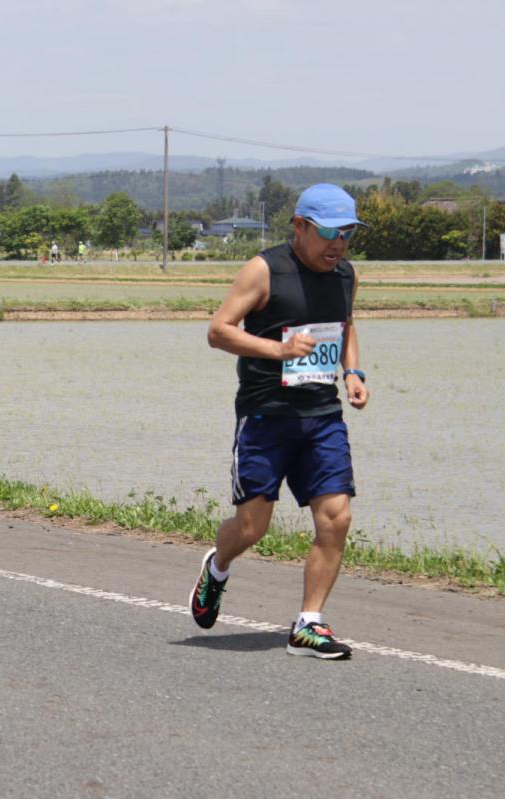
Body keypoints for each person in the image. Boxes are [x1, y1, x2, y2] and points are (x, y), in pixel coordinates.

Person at [189, 183, 370, 660]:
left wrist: (352, 373)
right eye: (330, 233)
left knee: (337, 518)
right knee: (252, 527)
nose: (339, 245)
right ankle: (218, 566)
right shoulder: (264, 270)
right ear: (300, 226)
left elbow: (346, 325)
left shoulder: (346, 275)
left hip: (322, 416)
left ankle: (309, 624)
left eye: (348, 234)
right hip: (265, 416)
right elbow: (218, 330)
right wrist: (278, 350)